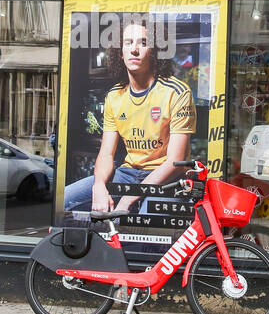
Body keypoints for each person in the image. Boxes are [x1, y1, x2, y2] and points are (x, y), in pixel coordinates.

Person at [63, 17, 194, 215]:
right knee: (64, 199)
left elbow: (175, 162)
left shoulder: (176, 92)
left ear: (155, 51)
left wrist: (128, 198)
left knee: (144, 221)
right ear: (120, 52)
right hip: (128, 174)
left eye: (143, 42)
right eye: (128, 43)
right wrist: (99, 186)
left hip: (167, 179)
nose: (134, 49)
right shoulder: (115, 96)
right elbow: (106, 153)